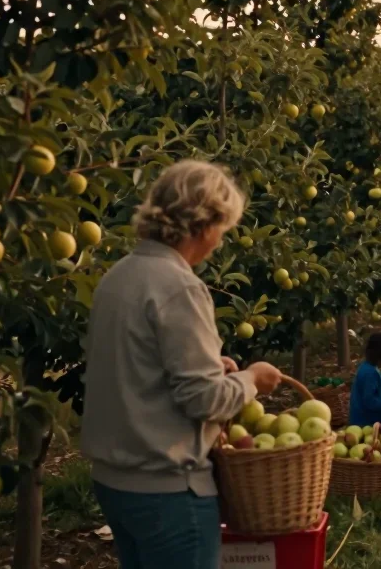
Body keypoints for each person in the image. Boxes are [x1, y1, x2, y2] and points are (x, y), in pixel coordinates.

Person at [81, 160, 283, 568]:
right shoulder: (179, 287)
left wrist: (211, 366)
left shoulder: (118, 277)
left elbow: (140, 367)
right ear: (206, 223)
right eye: (223, 228)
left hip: (116, 483)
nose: (220, 241)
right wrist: (251, 379)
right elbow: (205, 401)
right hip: (169, 491)